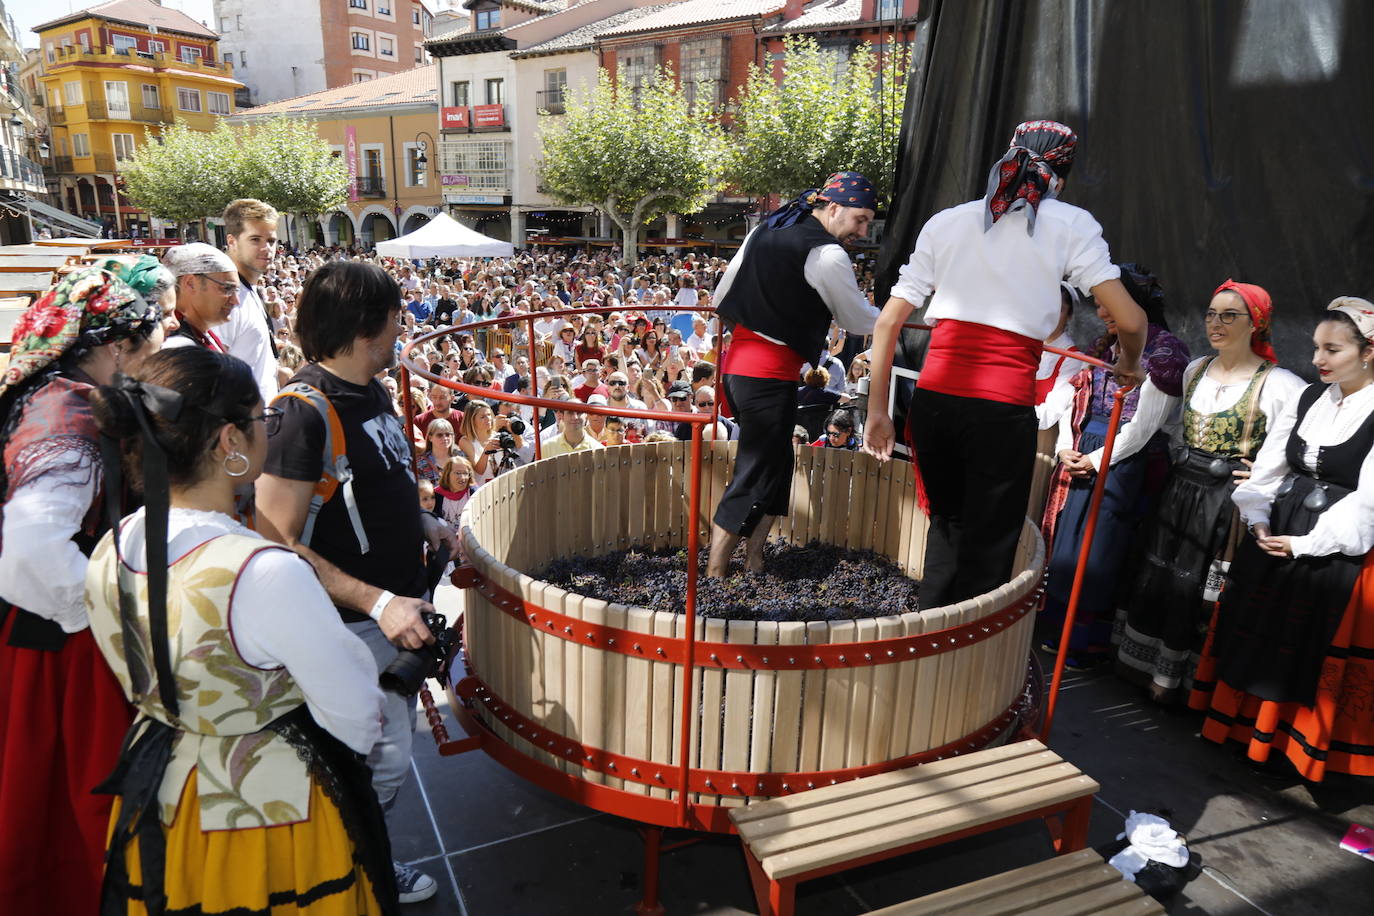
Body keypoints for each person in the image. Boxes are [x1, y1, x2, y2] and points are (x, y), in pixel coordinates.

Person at [85, 347, 397, 915]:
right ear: (230, 440)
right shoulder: (263, 570)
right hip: (266, 813)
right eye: (263, 420)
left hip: (163, 798)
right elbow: (355, 713)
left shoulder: (114, 542)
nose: (267, 433)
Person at [864, 121, 1147, 608]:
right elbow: (1132, 319)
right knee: (988, 548)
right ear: (1063, 173)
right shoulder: (1072, 225)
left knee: (947, 528)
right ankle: (966, 673)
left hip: (935, 405)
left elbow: (887, 324)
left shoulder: (947, 221)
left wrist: (877, 412)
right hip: (1000, 409)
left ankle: (927, 649)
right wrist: (1129, 362)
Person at [255, 261, 455, 903]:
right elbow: (274, 538)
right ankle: (354, 868)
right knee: (381, 759)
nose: (405, 326)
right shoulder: (300, 413)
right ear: (369, 324)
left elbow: (369, 482)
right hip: (351, 624)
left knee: (383, 757)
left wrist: (422, 519)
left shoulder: (374, 390)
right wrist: (377, 600)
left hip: (390, 615)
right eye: (397, 316)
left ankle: (358, 858)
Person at [0, 262, 175, 915]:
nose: (157, 357)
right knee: (80, 819)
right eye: (149, 341)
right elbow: (32, 552)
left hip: (62, 642)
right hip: (63, 655)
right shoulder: (65, 413)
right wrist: (123, 624)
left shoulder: (61, 397)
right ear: (114, 345)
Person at [1192, 300, 1374, 781]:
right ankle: (1244, 733)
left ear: (1369, 351)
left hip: (1339, 541)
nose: (1319, 358)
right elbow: (1274, 465)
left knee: (1305, 639)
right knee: (1257, 625)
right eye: (1317, 347)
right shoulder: (1313, 398)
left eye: (1332, 349)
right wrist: (1257, 517)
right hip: (1281, 524)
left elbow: (1368, 502)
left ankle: (1289, 751)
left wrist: (1308, 544)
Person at [1114, 281, 1303, 702]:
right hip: (1179, 490)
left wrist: (1271, 474)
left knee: (1202, 589)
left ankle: (1184, 685)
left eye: (1229, 315)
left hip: (1224, 505)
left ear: (1256, 322)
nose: (1216, 323)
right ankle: (1143, 668)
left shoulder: (1280, 384)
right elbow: (1161, 425)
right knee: (1160, 576)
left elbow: (1297, 448)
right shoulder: (1194, 368)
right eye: (1211, 313)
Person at [707, 172, 881, 576]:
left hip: (745, 369)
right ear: (833, 208)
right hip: (765, 375)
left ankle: (754, 559)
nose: (863, 229)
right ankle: (715, 571)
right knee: (755, 469)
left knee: (778, 464)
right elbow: (856, 319)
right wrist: (895, 318)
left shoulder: (768, 227)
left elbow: (722, 295)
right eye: (860, 219)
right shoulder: (828, 255)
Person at [1039, 265, 1190, 667]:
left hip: (1124, 461)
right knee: (1068, 542)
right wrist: (1067, 448)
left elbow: (1144, 428)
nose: (1104, 311)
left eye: (1111, 303)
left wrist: (1095, 458)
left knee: (1101, 550)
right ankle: (1053, 629)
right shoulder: (1103, 346)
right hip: (1084, 448)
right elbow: (1075, 399)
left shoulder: (1165, 353)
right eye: (1102, 304)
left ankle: (1083, 642)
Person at [220, 198, 282, 400]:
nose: (267, 248)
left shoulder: (250, 289)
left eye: (271, 241)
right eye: (255, 240)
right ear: (232, 241)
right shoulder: (224, 297)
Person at [161, 242, 241, 352]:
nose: (236, 301)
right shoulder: (176, 346)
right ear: (190, 283)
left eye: (236, 290)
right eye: (227, 288)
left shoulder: (200, 333)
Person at [416, 417, 456, 484]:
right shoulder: (420, 463)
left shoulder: (462, 457)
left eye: (448, 434)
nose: (445, 438)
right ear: (430, 438)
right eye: (439, 435)